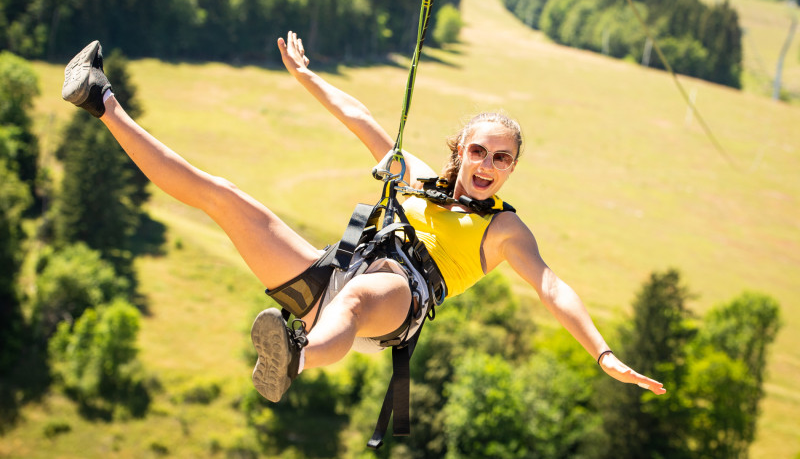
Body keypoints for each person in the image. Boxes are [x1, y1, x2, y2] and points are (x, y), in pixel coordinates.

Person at [61, 33, 666, 405]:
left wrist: (603, 353)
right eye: (478, 151)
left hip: (395, 300)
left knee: (355, 303)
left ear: (511, 169)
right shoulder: (417, 178)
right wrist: (307, 77)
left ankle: (292, 356)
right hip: (333, 272)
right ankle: (100, 99)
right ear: (461, 150)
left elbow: (551, 286)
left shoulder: (504, 230)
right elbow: (360, 118)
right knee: (222, 195)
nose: (487, 165)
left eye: (501, 158)